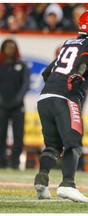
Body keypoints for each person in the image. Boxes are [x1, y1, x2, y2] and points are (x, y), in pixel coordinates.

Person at [33, 8, 88, 203]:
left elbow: (47, 73)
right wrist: (78, 74)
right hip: (66, 96)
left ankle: (42, 180)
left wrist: (58, 86)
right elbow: (86, 59)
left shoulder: (69, 43)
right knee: (74, 143)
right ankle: (68, 185)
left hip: (45, 97)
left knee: (52, 146)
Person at [0, 39, 30, 169]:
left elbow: (25, 84)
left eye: (12, 47)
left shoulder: (22, 65)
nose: (10, 50)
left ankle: (15, 162)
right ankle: (1, 161)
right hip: (2, 106)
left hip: (18, 106)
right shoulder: (1, 65)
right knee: (1, 134)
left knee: (18, 136)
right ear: (3, 49)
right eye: (7, 47)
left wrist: (18, 99)